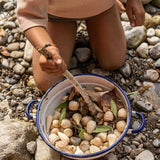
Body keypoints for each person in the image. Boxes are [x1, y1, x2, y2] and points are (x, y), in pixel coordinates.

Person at [17, 0, 145, 91]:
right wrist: (46, 46)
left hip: (101, 6)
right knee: (47, 82)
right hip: (57, 14)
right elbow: (29, 16)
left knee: (113, 61)